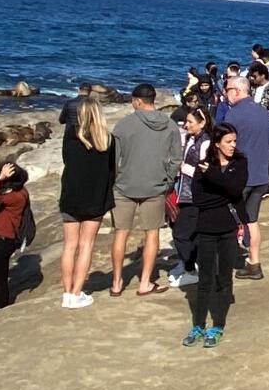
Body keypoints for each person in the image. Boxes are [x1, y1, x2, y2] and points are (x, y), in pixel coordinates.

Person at [108, 83, 182, 297]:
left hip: (124, 185)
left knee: (121, 233)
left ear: (138, 101)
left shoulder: (124, 125)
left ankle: (116, 283)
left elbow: (114, 159)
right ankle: (145, 283)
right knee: (152, 233)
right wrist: (167, 180)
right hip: (155, 185)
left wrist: (115, 180)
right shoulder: (169, 124)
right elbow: (176, 158)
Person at [182, 124, 249, 349]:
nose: (233, 146)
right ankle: (198, 324)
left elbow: (236, 189)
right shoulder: (204, 165)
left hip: (228, 228)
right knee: (205, 279)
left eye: (235, 141)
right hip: (206, 227)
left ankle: (218, 324)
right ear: (217, 143)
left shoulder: (239, 162)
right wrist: (223, 191)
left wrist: (213, 178)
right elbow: (199, 199)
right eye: (229, 141)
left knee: (224, 278)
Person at [58, 96, 114, 307]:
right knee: (86, 245)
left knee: (70, 245)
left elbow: (66, 161)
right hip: (95, 196)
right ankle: (76, 292)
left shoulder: (70, 138)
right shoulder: (108, 140)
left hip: (71, 194)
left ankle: (67, 293)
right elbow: (111, 170)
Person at [221, 75, 269, 281]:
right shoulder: (262, 112)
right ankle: (254, 262)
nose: (226, 94)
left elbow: (224, 146)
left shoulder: (233, 115)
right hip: (261, 176)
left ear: (236, 91)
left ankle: (225, 261)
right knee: (251, 219)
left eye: (227, 90)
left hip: (240, 177)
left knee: (229, 218)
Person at [169, 106, 212, 288]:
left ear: (202, 123)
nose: (186, 125)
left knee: (180, 234)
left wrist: (183, 167)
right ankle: (191, 265)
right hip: (184, 192)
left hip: (196, 195)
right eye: (186, 122)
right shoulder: (190, 138)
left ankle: (190, 270)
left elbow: (205, 172)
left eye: (190, 122)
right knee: (192, 234)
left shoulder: (205, 143)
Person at [0, 162, 30, 311]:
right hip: (5, 238)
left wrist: (0, 178)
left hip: (4, 239)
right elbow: (6, 210)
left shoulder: (14, 196)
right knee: (0, 275)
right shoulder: (21, 192)